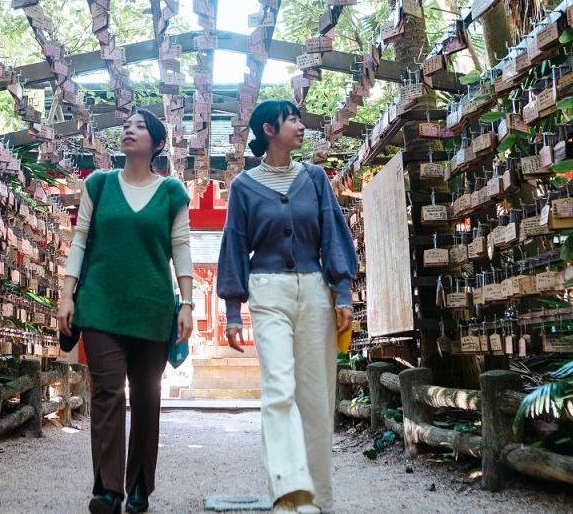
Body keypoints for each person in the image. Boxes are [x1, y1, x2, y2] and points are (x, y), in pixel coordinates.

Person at [216, 100, 358, 514]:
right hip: (268, 290)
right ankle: (287, 493)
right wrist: (230, 312)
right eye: (292, 118)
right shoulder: (244, 186)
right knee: (279, 389)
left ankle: (317, 500)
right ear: (269, 129)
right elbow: (235, 246)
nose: (301, 125)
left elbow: (334, 232)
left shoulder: (314, 178)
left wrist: (343, 291)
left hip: (315, 289)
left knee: (315, 396)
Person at [57, 110, 195, 514]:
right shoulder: (98, 185)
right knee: (108, 391)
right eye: (126, 125)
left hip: (151, 307)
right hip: (99, 303)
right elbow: (80, 241)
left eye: (139, 126)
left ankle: (139, 488)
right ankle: (107, 491)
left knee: (148, 397)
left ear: (156, 143)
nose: (128, 130)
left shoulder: (171, 192)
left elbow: (182, 249)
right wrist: (67, 296)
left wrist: (187, 304)